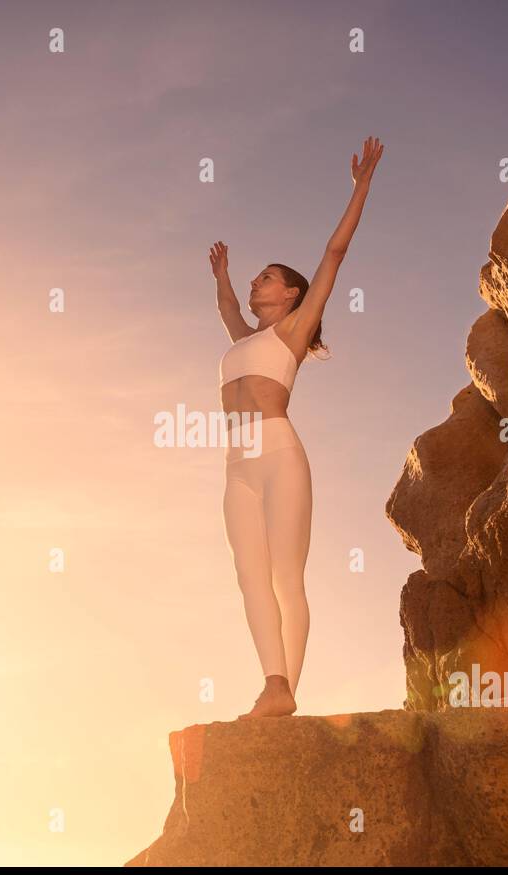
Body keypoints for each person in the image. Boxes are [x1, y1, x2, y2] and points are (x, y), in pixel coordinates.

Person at [209, 135, 385, 719]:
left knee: (287, 574)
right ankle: (272, 683)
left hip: (281, 453)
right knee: (248, 576)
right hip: (238, 465)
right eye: (256, 278)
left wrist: (360, 185)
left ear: (291, 295)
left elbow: (333, 255)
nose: (258, 285)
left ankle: (286, 689)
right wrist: (224, 275)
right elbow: (228, 313)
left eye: (267, 277)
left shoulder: (292, 333)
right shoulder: (247, 339)